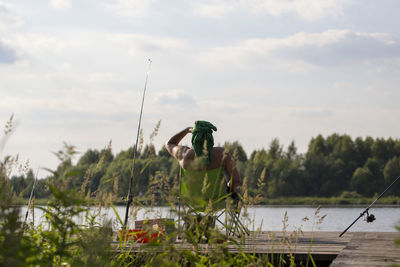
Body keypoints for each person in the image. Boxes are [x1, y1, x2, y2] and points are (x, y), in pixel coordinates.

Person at [165, 121, 241, 208]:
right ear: (210, 137)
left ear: (194, 137)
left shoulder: (184, 154)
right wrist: (227, 186)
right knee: (228, 175)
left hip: (192, 202)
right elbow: (236, 182)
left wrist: (186, 130)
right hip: (218, 201)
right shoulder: (222, 154)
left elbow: (169, 143)